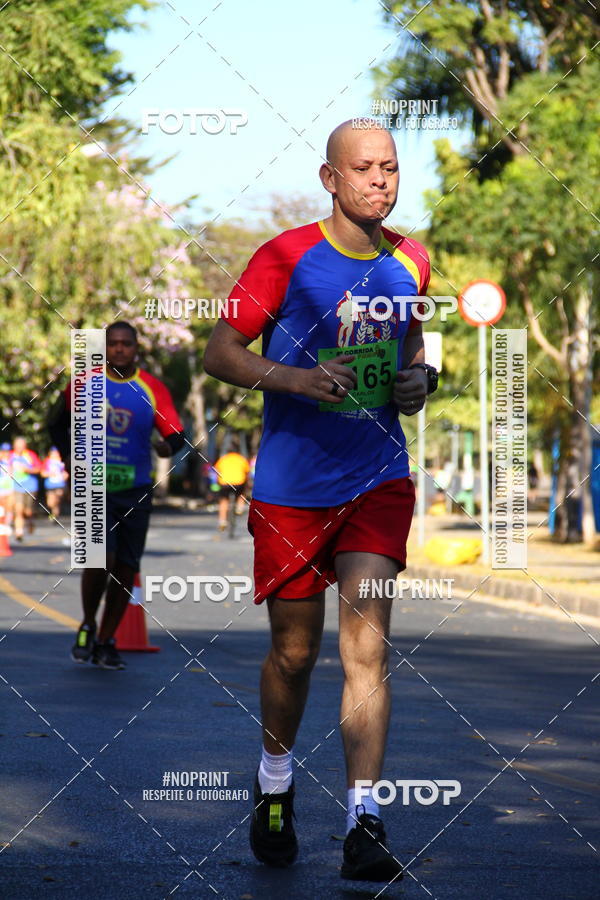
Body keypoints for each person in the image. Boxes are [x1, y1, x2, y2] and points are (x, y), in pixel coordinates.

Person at [204, 119, 438, 881]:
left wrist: (417, 384)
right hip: (294, 489)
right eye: (364, 168)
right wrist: (297, 379)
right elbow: (221, 353)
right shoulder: (284, 256)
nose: (380, 180)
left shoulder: (414, 262)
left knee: (365, 649)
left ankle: (363, 820)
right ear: (330, 178)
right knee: (296, 654)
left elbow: (410, 359)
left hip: (376, 478)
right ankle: (274, 780)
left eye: (391, 168)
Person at [49, 322, 185, 670]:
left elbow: (175, 434)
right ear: (104, 348)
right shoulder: (84, 383)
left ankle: (107, 640)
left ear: (136, 348)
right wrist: (69, 457)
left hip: (136, 488)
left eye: (126, 344)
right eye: (113, 344)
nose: (120, 350)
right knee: (99, 560)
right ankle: (88, 623)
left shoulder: (151, 388)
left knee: (126, 569)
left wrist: (166, 446)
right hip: (93, 485)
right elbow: (55, 423)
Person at [10, 436, 42, 541]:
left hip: (30, 487)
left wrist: (27, 469)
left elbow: (39, 469)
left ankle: (31, 521)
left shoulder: (30, 455)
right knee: (18, 510)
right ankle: (19, 532)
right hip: (16, 487)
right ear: (14, 445)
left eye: (22, 445)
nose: (19, 447)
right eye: (17, 445)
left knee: (28, 511)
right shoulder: (10, 455)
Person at [214, 440, 250, 530]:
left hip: (225, 483)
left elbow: (216, 471)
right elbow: (247, 472)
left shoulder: (223, 459)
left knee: (223, 501)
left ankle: (222, 521)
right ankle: (239, 507)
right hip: (239, 483)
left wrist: (217, 482)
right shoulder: (241, 459)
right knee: (242, 492)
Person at [41, 446, 68, 521]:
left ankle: (56, 516)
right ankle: (54, 515)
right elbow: (42, 473)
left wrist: (65, 475)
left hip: (60, 484)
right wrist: (50, 473)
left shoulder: (61, 461)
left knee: (58, 497)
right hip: (50, 485)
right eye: (53, 453)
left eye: (56, 453)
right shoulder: (47, 462)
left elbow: (65, 472)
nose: (55, 454)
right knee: (51, 503)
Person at [0, 442, 13, 530]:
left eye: (7, 451)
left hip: (10, 487)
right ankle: (2, 523)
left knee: (9, 506)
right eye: (4, 451)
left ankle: (7, 524)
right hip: (1, 487)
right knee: (2, 505)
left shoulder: (12, 460)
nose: (6, 453)